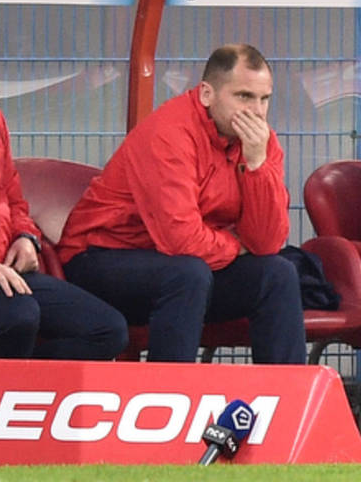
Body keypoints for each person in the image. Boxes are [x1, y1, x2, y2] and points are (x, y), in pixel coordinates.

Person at [58, 44, 305, 364]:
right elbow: (181, 240)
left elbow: (267, 243)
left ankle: (283, 393)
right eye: (244, 96)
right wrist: (236, 245)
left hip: (190, 264)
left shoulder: (260, 142)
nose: (257, 112)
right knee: (188, 274)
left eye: (264, 99)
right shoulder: (169, 133)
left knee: (278, 273)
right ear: (207, 94)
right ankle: (171, 392)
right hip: (101, 257)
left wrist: (257, 166)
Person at [0, 0, 127, 359]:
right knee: (17, 315)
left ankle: (22, 389)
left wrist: (25, 237)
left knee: (107, 330)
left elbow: (12, 194)